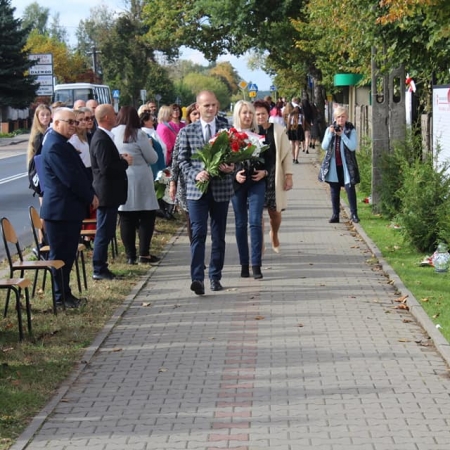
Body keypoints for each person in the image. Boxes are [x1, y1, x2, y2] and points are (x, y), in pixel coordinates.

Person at [178, 90, 235, 295]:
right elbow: (182, 160)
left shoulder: (227, 129)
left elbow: (235, 156)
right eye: (206, 106)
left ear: (217, 106)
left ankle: (215, 276)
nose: (210, 109)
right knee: (198, 233)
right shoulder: (187, 131)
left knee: (218, 235)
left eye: (213, 105)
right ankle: (197, 278)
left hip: (220, 189)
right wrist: (196, 174)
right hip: (197, 191)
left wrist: (230, 167)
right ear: (197, 107)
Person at [40, 107, 98, 308]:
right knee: (60, 255)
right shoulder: (55, 145)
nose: (74, 126)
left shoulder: (62, 143)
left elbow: (80, 172)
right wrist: (90, 196)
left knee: (68, 254)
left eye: (75, 122)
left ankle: (66, 294)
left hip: (68, 209)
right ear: (56, 123)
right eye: (70, 122)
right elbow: (70, 178)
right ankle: (59, 297)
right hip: (59, 211)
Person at [90, 104, 133, 280]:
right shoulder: (100, 138)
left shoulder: (105, 136)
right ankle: (99, 268)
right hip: (106, 193)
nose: (116, 116)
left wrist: (119, 158)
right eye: (114, 114)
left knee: (107, 231)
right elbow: (106, 168)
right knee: (104, 231)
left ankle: (101, 266)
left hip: (110, 192)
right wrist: (125, 163)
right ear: (106, 117)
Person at [112, 106, 160, 265]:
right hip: (140, 179)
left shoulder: (113, 133)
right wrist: (150, 145)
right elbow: (152, 158)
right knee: (146, 216)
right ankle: (143, 253)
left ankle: (130, 255)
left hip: (121, 178)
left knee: (126, 218)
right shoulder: (138, 133)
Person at [231, 100, 268, 280]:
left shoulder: (261, 133)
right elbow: (225, 163)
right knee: (240, 223)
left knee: (255, 221)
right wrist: (234, 175)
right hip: (238, 183)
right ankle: (243, 263)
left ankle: (256, 264)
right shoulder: (230, 135)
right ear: (238, 115)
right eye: (244, 113)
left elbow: (270, 159)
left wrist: (265, 171)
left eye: (250, 113)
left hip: (256, 182)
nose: (248, 116)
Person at [255, 100, 293, 254]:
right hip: (255, 176)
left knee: (274, 213)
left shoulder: (278, 130)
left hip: (273, 175)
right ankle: (260, 242)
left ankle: (274, 233)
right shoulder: (250, 131)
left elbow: (286, 155)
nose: (260, 117)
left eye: (263, 113)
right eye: (257, 114)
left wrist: (288, 176)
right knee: (256, 214)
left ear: (268, 114)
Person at [319, 106, 360, 224]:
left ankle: (354, 214)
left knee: (350, 189)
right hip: (333, 165)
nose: (340, 119)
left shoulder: (350, 130)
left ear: (346, 117)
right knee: (334, 190)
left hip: (347, 165)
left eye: (343, 117)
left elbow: (352, 146)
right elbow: (324, 146)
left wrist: (342, 135)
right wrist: (331, 134)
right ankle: (335, 214)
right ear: (334, 118)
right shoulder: (329, 130)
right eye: (338, 117)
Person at [169, 103, 200, 242]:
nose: (198, 117)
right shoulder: (184, 133)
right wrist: (173, 182)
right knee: (190, 218)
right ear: (189, 117)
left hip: (205, 181)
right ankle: (194, 247)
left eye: (199, 113)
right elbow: (176, 158)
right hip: (186, 182)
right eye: (194, 114)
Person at [139, 110, 166, 179]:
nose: (154, 121)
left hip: (161, 163)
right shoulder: (143, 134)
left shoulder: (154, 131)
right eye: (152, 119)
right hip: (154, 167)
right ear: (145, 121)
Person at [69, 109, 92, 182]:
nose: (84, 122)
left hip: (88, 171)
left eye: (85, 119)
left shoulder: (83, 137)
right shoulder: (74, 139)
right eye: (80, 120)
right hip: (82, 173)